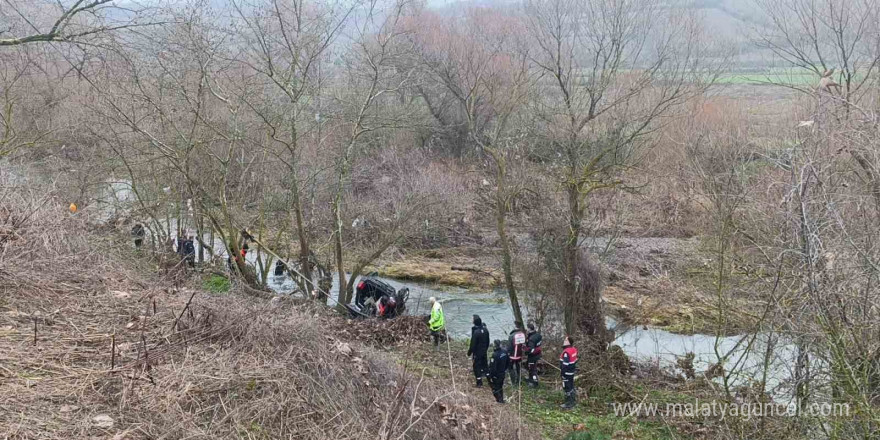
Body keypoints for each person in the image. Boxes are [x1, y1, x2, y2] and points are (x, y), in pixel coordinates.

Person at [467, 314, 490, 387]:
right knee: (485, 365)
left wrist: (469, 353)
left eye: (472, 319)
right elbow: (488, 341)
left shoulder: (476, 333)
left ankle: (479, 382)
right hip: (484, 351)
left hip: (477, 352)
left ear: (475, 322)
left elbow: (472, 344)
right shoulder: (485, 330)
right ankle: (489, 379)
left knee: (476, 366)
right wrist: (485, 349)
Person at [560, 335, 579, 410]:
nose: (564, 341)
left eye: (565, 340)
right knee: (571, 386)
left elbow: (565, 364)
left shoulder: (566, 352)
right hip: (571, 372)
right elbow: (576, 359)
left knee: (567, 387)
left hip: (567, 373)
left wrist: (562, 373)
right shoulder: (574, 349)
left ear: (568, 342)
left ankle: (569, 404)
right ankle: (573, 401)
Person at [507, 321, 526, 386]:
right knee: (518, 368)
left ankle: (513, 382)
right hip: (519, 355)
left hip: (512, 356)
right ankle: (519, 381)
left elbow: (509, 346)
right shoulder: (523, 334)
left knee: (510, 368)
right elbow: (524, 345)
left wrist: (508, 354)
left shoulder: (512, 335)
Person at [525, 322, 543, 387]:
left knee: (532, 369)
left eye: (527, 329)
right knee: (531, 367)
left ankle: (535, 382)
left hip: (532, 356)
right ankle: (531, 379)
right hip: (538, 354)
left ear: (529, 329)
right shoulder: (538, 335)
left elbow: (531, 350)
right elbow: (539, 344)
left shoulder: (531, 339)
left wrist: (526, 351)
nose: (526, 330)